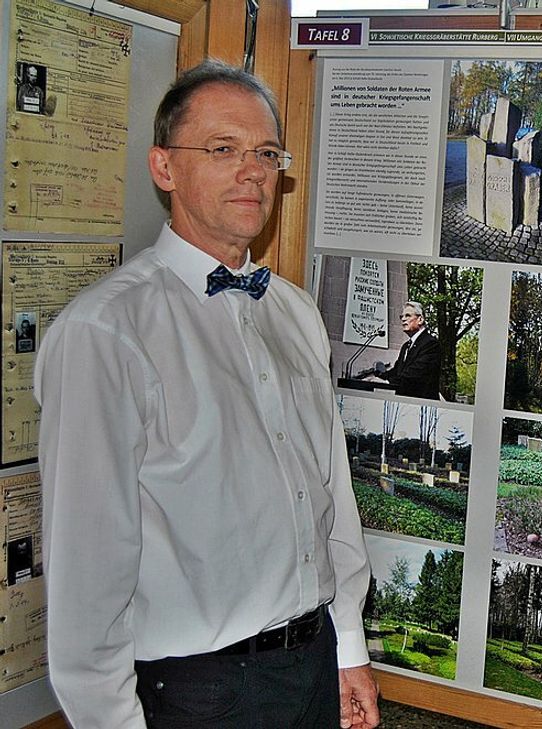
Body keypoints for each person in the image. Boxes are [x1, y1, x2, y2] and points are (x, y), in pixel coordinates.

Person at [35, 60, 379, 729]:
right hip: (201, 692)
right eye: (222, 149)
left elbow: (329, 493)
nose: (251, 171)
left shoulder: (294, 311)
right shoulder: (106, 330)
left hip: (311, 664)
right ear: (164, 168)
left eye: (265, 153)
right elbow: (87, 573)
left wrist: (348, 649)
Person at [374, 301, 441, 399]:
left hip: (422, 404)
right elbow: (397, 371)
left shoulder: (431, 344)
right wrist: (378, 378)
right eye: (402, 317)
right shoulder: (406, 346)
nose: (403, 319)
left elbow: (415, 373)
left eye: (408, 315)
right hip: (403, 403)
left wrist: (389, 382)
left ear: (420, 319)